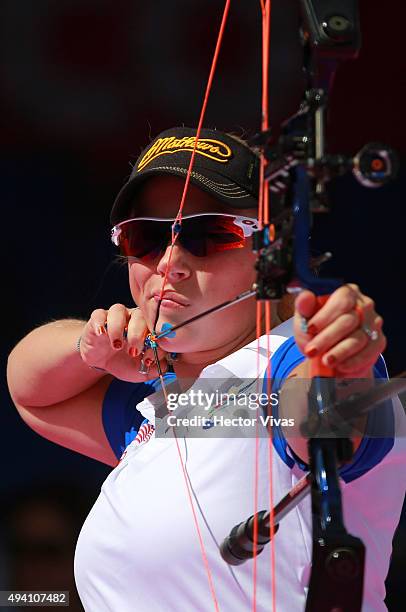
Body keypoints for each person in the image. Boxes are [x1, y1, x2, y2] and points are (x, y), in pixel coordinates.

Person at [7, 127, 406, 611]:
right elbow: (30, 390)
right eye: (147, 238)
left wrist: (339, 356)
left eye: (207, 235)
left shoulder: (285, 365)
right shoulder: (165, 403)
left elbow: (320, 418)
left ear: (270, 255)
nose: (170, 262)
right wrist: (89, 346)